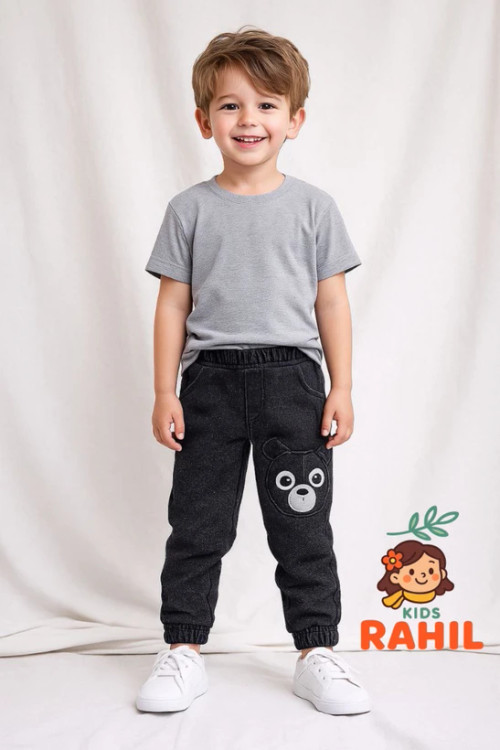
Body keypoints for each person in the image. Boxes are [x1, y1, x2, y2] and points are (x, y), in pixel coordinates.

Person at [136, 26, 371, 716]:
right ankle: (183, 649)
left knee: (303, 526)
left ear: (295, 120)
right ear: (204, 119)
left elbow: (332, 301)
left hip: (293, 384)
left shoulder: (314, 208)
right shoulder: (188, 210)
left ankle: (316, 651)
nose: (249, 119)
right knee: (198, 523)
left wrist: (341, 386)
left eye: (267, 105)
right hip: (208, 383)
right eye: (231, 105)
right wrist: (164, 390)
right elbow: (172, 304)